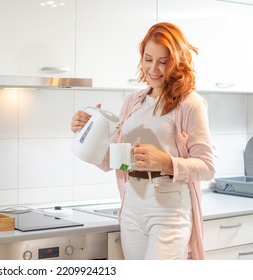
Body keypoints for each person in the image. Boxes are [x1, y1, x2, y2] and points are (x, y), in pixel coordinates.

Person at [71, 22, 215, 260]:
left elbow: (208, 168)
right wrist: (85, 133)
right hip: (132, 204)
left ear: (177, 61)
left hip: (169, 207)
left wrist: (167, 162)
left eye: (163, 61)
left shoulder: (190, 103)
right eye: (148, 59)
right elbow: (114, 162)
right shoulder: (133, 101)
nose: (154, 68)